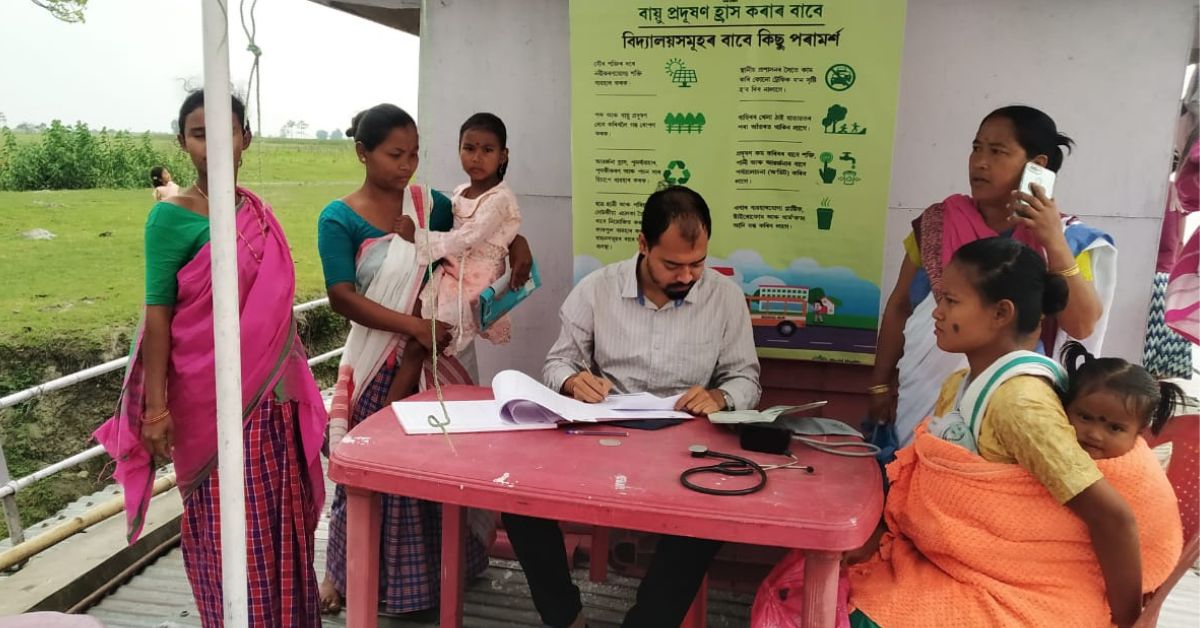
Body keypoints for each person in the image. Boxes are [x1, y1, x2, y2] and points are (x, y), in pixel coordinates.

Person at [846, 238, 1181, 628]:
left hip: (1017, 589)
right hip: (956, 564)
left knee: (842, 610)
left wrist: (1128, 623)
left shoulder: (1020, 404)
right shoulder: (963, 381)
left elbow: (1113, 518)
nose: (936, 313)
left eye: (951, 301)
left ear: (1001, 313)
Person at [94, 91, 328, 626]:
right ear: (183, 143)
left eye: (226, 132)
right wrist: (155, 410)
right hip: (206, 405)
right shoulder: (170, 220)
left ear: (246, 137)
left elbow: (273, 312)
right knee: (225, 528)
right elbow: (158, 316)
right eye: (200, 134)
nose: (214, 144)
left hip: (271, 401)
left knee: (279, 522)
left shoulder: (257, 216)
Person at [503, 185, 761, 628]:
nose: (687, 277)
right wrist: (571, 380)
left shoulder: (724, 297)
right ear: (643, 245)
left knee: (706, 522)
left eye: (697, 263)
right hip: (602, 438)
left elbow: (746, 379)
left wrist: (720, 396)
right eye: (672, 265)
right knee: (520, 505)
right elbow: (558, 361)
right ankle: (566, 618)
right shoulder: (598, 289)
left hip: (685, 445)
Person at [315, 103, 533, 616]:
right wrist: (413, 328)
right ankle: (343, 574)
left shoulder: (430, 204)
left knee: (433, 471)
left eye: (414, 153)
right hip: (376, 358)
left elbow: (482, 225)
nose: (407, 165)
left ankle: (435, 581)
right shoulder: (338, 217)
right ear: (362, 153)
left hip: (440, 357)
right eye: (395, 154)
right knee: (367, 471)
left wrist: (520, 243)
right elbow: (341, 296)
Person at [870, 106, 1117, 447]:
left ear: (1037, 166)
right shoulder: (937, 224)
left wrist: (1053, 243)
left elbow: (1081, 325)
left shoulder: (1068, 238)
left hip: (1010, 399)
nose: (980, 162)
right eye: (976, 148)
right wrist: (880, 384)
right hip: (922, 394)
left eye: (997, 151)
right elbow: (900, 306)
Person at [385, 112, 522, 403]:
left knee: (420, 345)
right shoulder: (462, 192)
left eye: (487, 150)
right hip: (450, 274)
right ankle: (407, 406)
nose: (476, 157)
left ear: (502, 155)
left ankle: (389, 412)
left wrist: (417, 236)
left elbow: (467, 237)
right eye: (469, 148)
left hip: (472, 285)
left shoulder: (499, 199)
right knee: (412, 327)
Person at [1060, 341, 1187, 460]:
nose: (1094, 434)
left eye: (1115, 428)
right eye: (1085, 417)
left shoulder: (1140, 473)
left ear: (1138, 433)